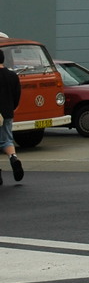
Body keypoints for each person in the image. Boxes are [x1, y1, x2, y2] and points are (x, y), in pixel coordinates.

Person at [0, 49, 25, 184]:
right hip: (7, 113)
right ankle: (13, 158)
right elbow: (17, 95)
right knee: (7, 140)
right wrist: (11, 107)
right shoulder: (12, 76)